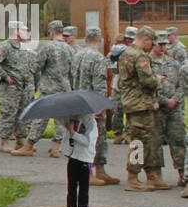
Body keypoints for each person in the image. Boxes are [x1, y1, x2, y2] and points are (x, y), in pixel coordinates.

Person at [14, 20, 73, 157]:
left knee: (40, 117)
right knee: (61, 120)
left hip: (49, 89)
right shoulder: (70, 49)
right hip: (64, 89)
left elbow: (35, 66)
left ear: (52, 32)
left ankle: (29, 145)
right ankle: (56, 148)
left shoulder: (48, 47)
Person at [120, 26, 168, 192]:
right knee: (139, 142)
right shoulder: (139, 56)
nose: (152, 46)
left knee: (149, 140)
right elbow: (148, 81)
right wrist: (158, 79)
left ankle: (152, 176)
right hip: (140, 104)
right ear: (146, 39)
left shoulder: (126, 53)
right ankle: (133, 178)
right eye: (151, 42)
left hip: (136, 103)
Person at [72, 28, 119, 187]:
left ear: (85, 39)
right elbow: (99, 82)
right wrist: (99, 105)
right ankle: (89, 173)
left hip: (78, 101)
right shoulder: (98, 58)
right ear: (100, 40)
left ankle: (100, 170)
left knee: (89, 137)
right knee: (94, 139)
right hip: (91, 103)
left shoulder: (77, 55)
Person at [0, 20, 33, 153]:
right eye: (24, 30)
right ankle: (4, 142)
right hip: (11, 88)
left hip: (23, 87)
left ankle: (20, 140)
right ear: (16, 31)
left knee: (22, 113)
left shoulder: (23, 47)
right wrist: (5, 76)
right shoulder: (5, 46)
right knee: (8, 113)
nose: (27, 32)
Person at [150, 33, 185, 186]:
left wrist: (175, 100)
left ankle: (183, 173)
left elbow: (182, 85)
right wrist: (164, 101)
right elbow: (148, 87)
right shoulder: (147, 63)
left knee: (178, 139)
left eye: (165, 44)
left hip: (174, 108)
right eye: (160, 44)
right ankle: (156, 175)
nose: (163, 47)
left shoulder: (173, 63)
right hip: (157, 107)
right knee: (155, 141)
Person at [59, 114, 97, 207]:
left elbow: (86, 142)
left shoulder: (90, 122)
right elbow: (67, 139)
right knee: (71, 185)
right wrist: (68, 129)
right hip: (73, 156)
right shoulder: (72, 119)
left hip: (85, 158)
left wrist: (73, 132)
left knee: (83, 187)